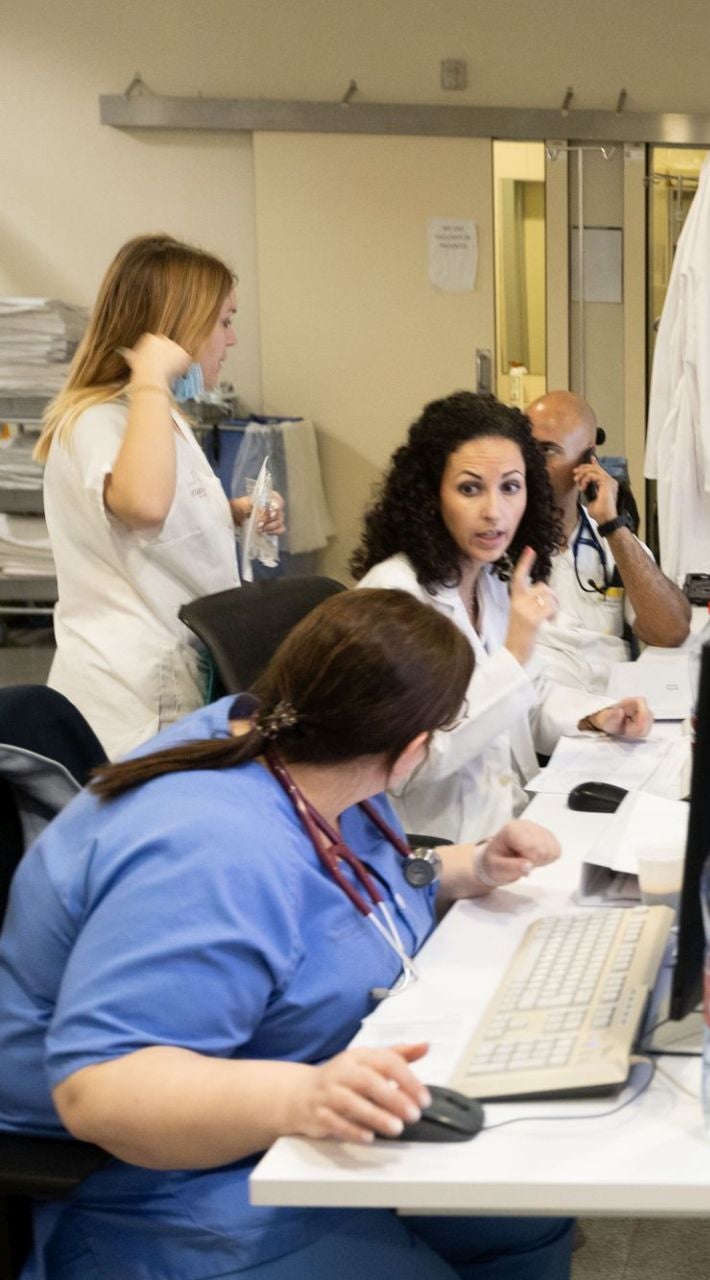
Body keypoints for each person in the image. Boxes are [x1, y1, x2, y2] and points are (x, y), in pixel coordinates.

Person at [0, 589, 572, 1279]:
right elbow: (100, 1091)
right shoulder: (206, 852)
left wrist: (470, 865)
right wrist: (302, 1097)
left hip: (307, 1103)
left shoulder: (293, 749)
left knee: (528, 1212)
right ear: (413, 749)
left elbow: (355, 880)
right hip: (159, 1187)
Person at [353, 392, 652, 842]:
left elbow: (528, 698)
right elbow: (411, 766)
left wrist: (597, 714)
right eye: (470, 488)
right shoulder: (392, 596)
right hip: (441, 853)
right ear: (430, 493)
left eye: (510, 487)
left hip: (513, 826)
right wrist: (513, 653)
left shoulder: (489, 580)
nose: (494, 512)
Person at [38, 234, 284, 759]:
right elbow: (145, 508)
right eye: (223, 321)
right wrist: (150, 375)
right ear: (179, 329)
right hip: (134, 702)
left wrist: (233, 516)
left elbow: (156, 522)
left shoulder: (156, 414)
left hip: (180, 682)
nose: (231, 340)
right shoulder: (98, 419)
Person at [525, 391, 692, 705]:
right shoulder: (496, 547)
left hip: (614, 721)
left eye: (547, 451)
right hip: (534, 731)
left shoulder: (610, 544)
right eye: (526, 448)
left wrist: (614, 527)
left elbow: (671, 632)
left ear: (587, 460)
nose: (530, 464)